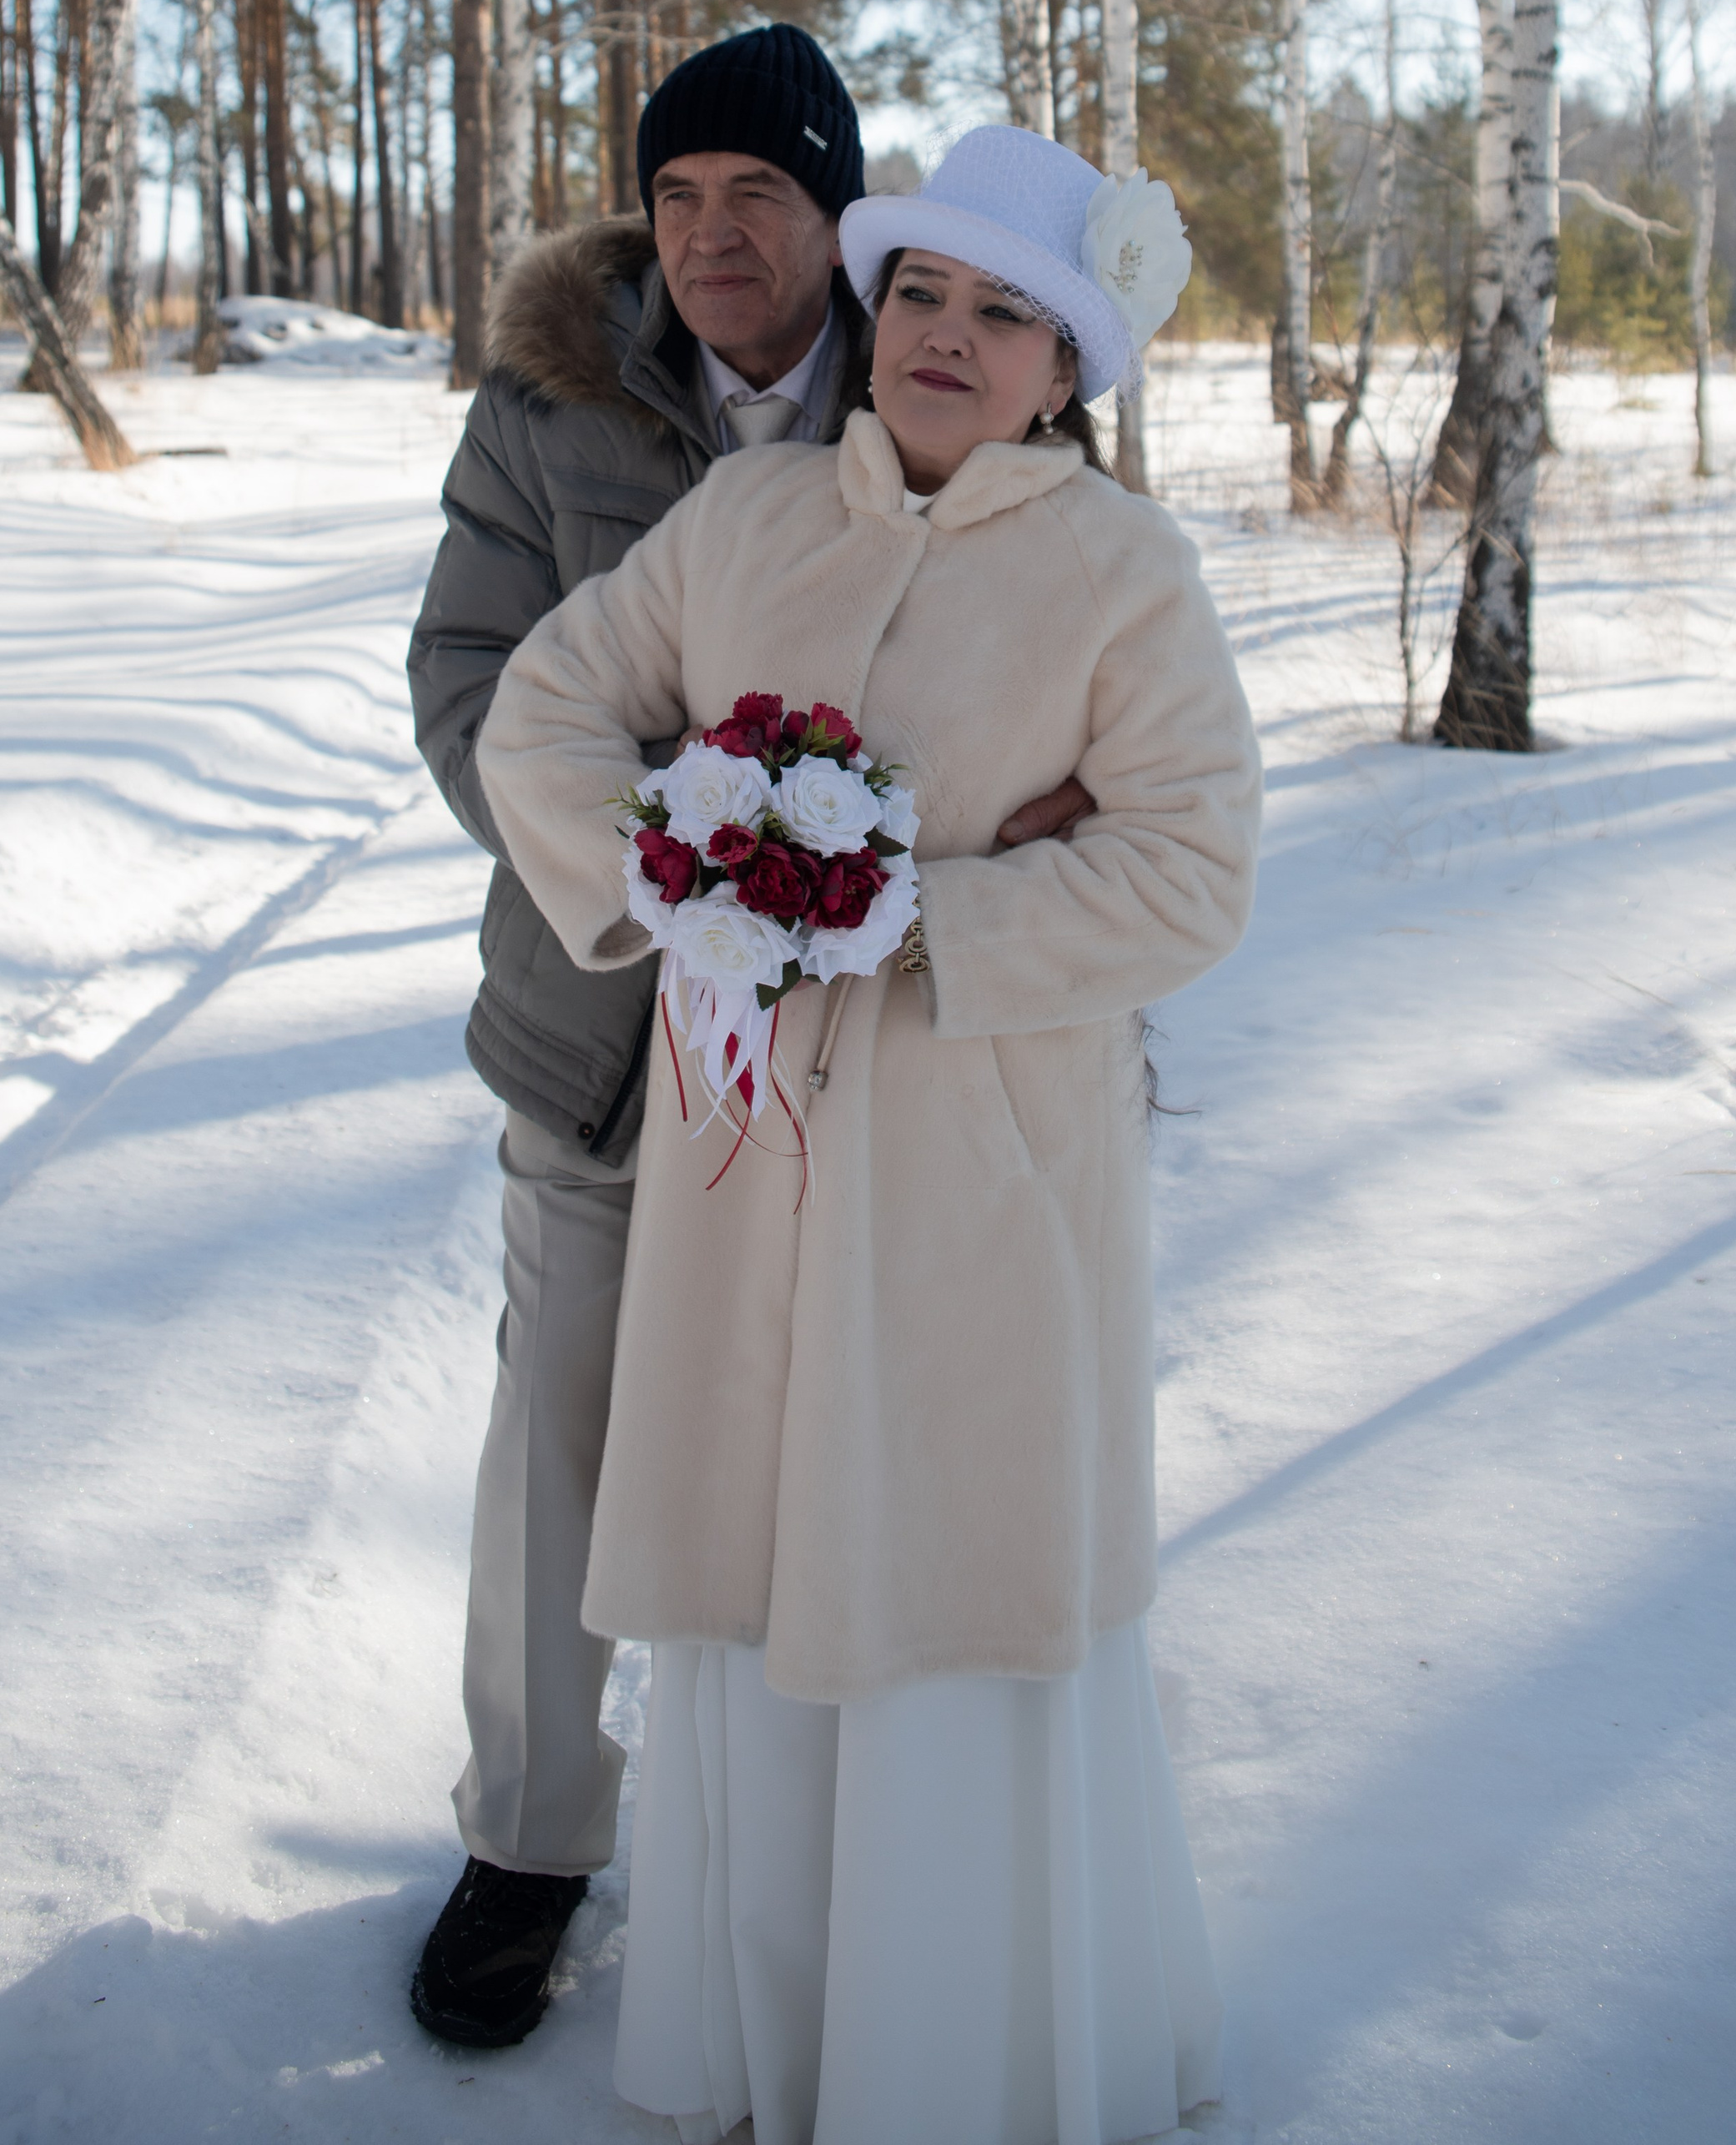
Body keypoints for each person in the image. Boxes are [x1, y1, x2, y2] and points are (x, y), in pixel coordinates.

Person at [473, 123, 1263, 2142]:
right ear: (875, 302)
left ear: (1064, 371)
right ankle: (766, 2030)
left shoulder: (1120, 572)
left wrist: (916, 906)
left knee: (944, 1553)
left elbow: (1189, 872)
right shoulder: (742, 521)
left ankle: (959, 2054)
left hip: (981, 1176)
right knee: (758, 1552)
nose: (945, 336)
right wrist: (680, 870)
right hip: (747, 1174)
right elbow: (543, 708)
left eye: (1007, 314)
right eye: (920, 290)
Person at [405, 43, 1096, 2050]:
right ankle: (527, 1836)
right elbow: (476, 690)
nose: (713, 236)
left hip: (894, 1079)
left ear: (840, 222)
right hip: (615, 1037)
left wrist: (943, 861)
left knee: (841, 1448)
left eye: (760, 200)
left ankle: (795, 1862)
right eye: (679, 194)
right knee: (568, 1439)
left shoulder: (952, 363)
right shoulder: (549, 409)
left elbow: (1061, 663)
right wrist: (704, 871)